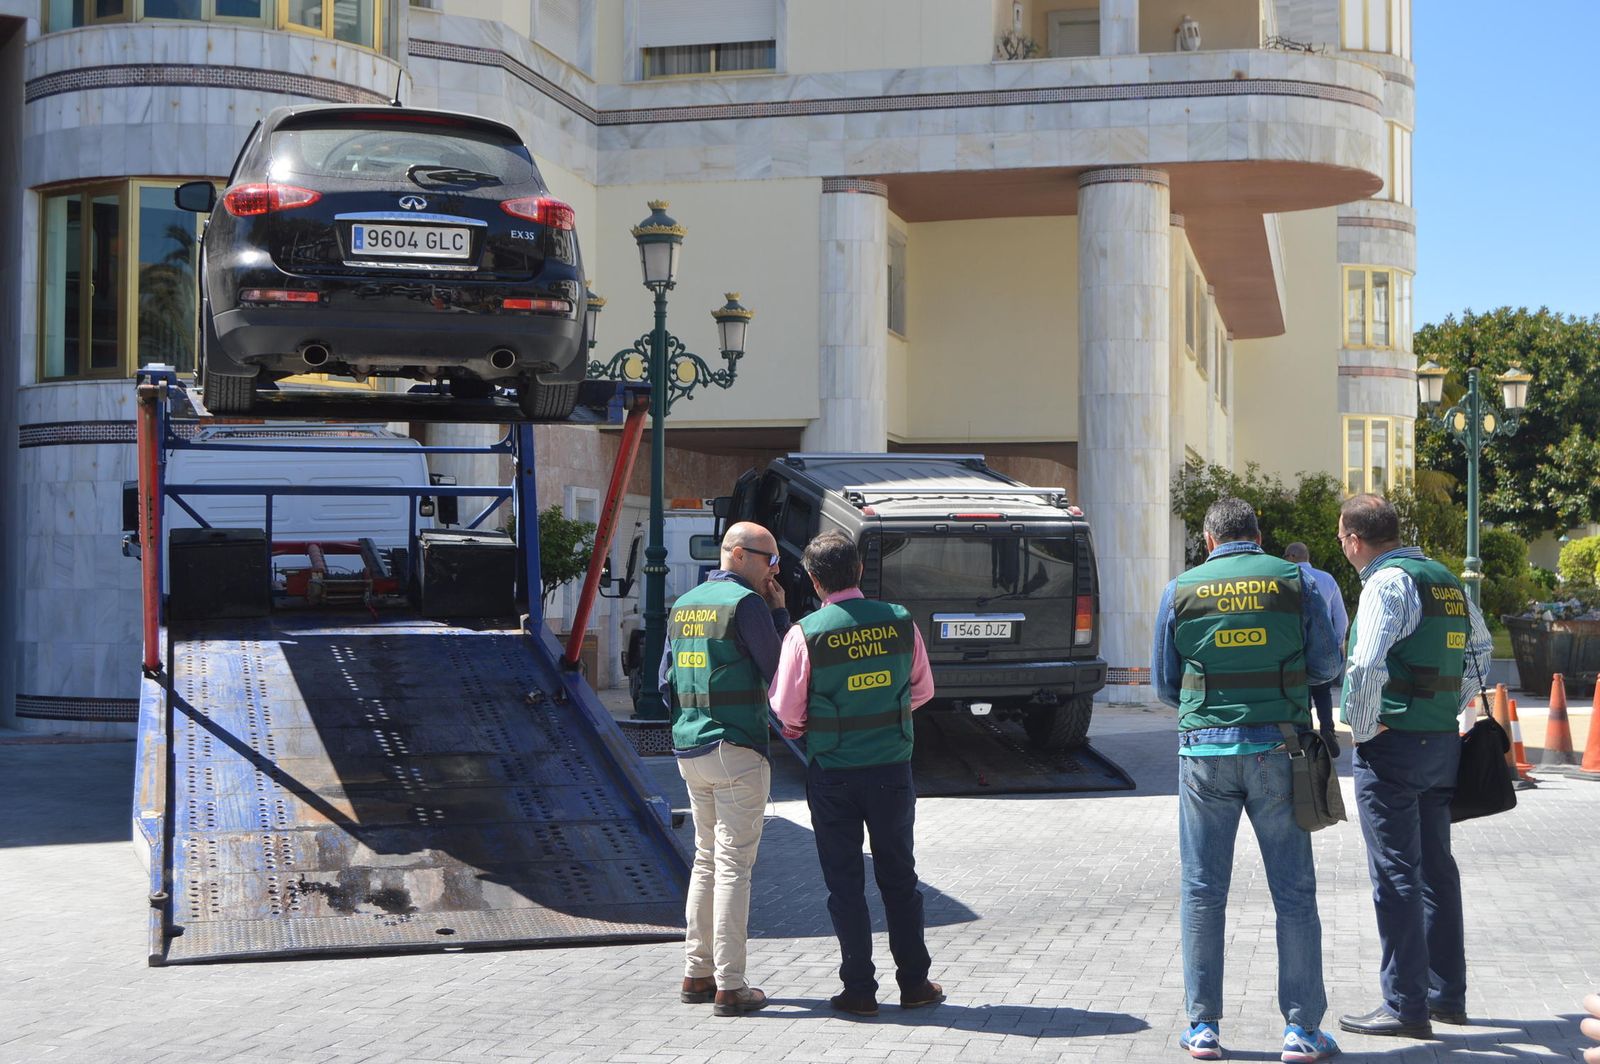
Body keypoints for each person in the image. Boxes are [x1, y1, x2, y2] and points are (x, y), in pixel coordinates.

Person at [1153, 497, 1343, 1063]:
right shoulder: (1295, 582)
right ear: (1257, 537)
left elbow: (1166, 685)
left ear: (1209, 541)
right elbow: (1327, 665)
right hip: (1279, 750)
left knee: (1203, 892)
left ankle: (1203, 1029)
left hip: (1204, 754)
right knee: (1294, 894)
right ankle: (1302, 1032)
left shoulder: (1182, 588)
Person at [1334, 494, 1492, 1040]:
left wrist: (1362, 724)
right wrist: (1449, 704)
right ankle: (1447, 997)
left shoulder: (1386, 583)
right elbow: (1482, 649)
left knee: (1397, 874)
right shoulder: (1443, 578)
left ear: (1355, 540)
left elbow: (1365, 660)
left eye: (1342, 540)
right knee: (1436, 871)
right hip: (1440, 742)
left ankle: (1405, 1006)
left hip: (1394, 744)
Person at [767, 530, 944, 1018]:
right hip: (891, 769)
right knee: (900, 878)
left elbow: (786, 711)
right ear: (860, 572)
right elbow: (923, 690)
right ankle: (915, 984)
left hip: (833, 773)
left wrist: (816, 726)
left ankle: (860, 991)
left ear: (813, 579)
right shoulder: (899, 622)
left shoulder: (805, 633)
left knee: (845, 884)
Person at [659, 521, 790, 1017]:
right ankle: (730, 985)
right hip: (735, 745)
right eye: (769, 558)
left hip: (690, 747)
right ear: (738, 554)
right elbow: (779, 672)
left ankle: (697, 972)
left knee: (706, 859)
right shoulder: (746, 604)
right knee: (734, 865)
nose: (773, 570)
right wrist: (779, 614)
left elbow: (665, 678)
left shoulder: (684, 603)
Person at [1284, 542, 1349, 756]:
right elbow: (1340, 617)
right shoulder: (1327, 579)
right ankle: (1328, 730)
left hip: (1293, 648)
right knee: (1323, 691)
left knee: (1301, 693)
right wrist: (1337, 644)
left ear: (1292, 556)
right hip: (1321, 647)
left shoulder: (1284, 578)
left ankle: (1308, 736)